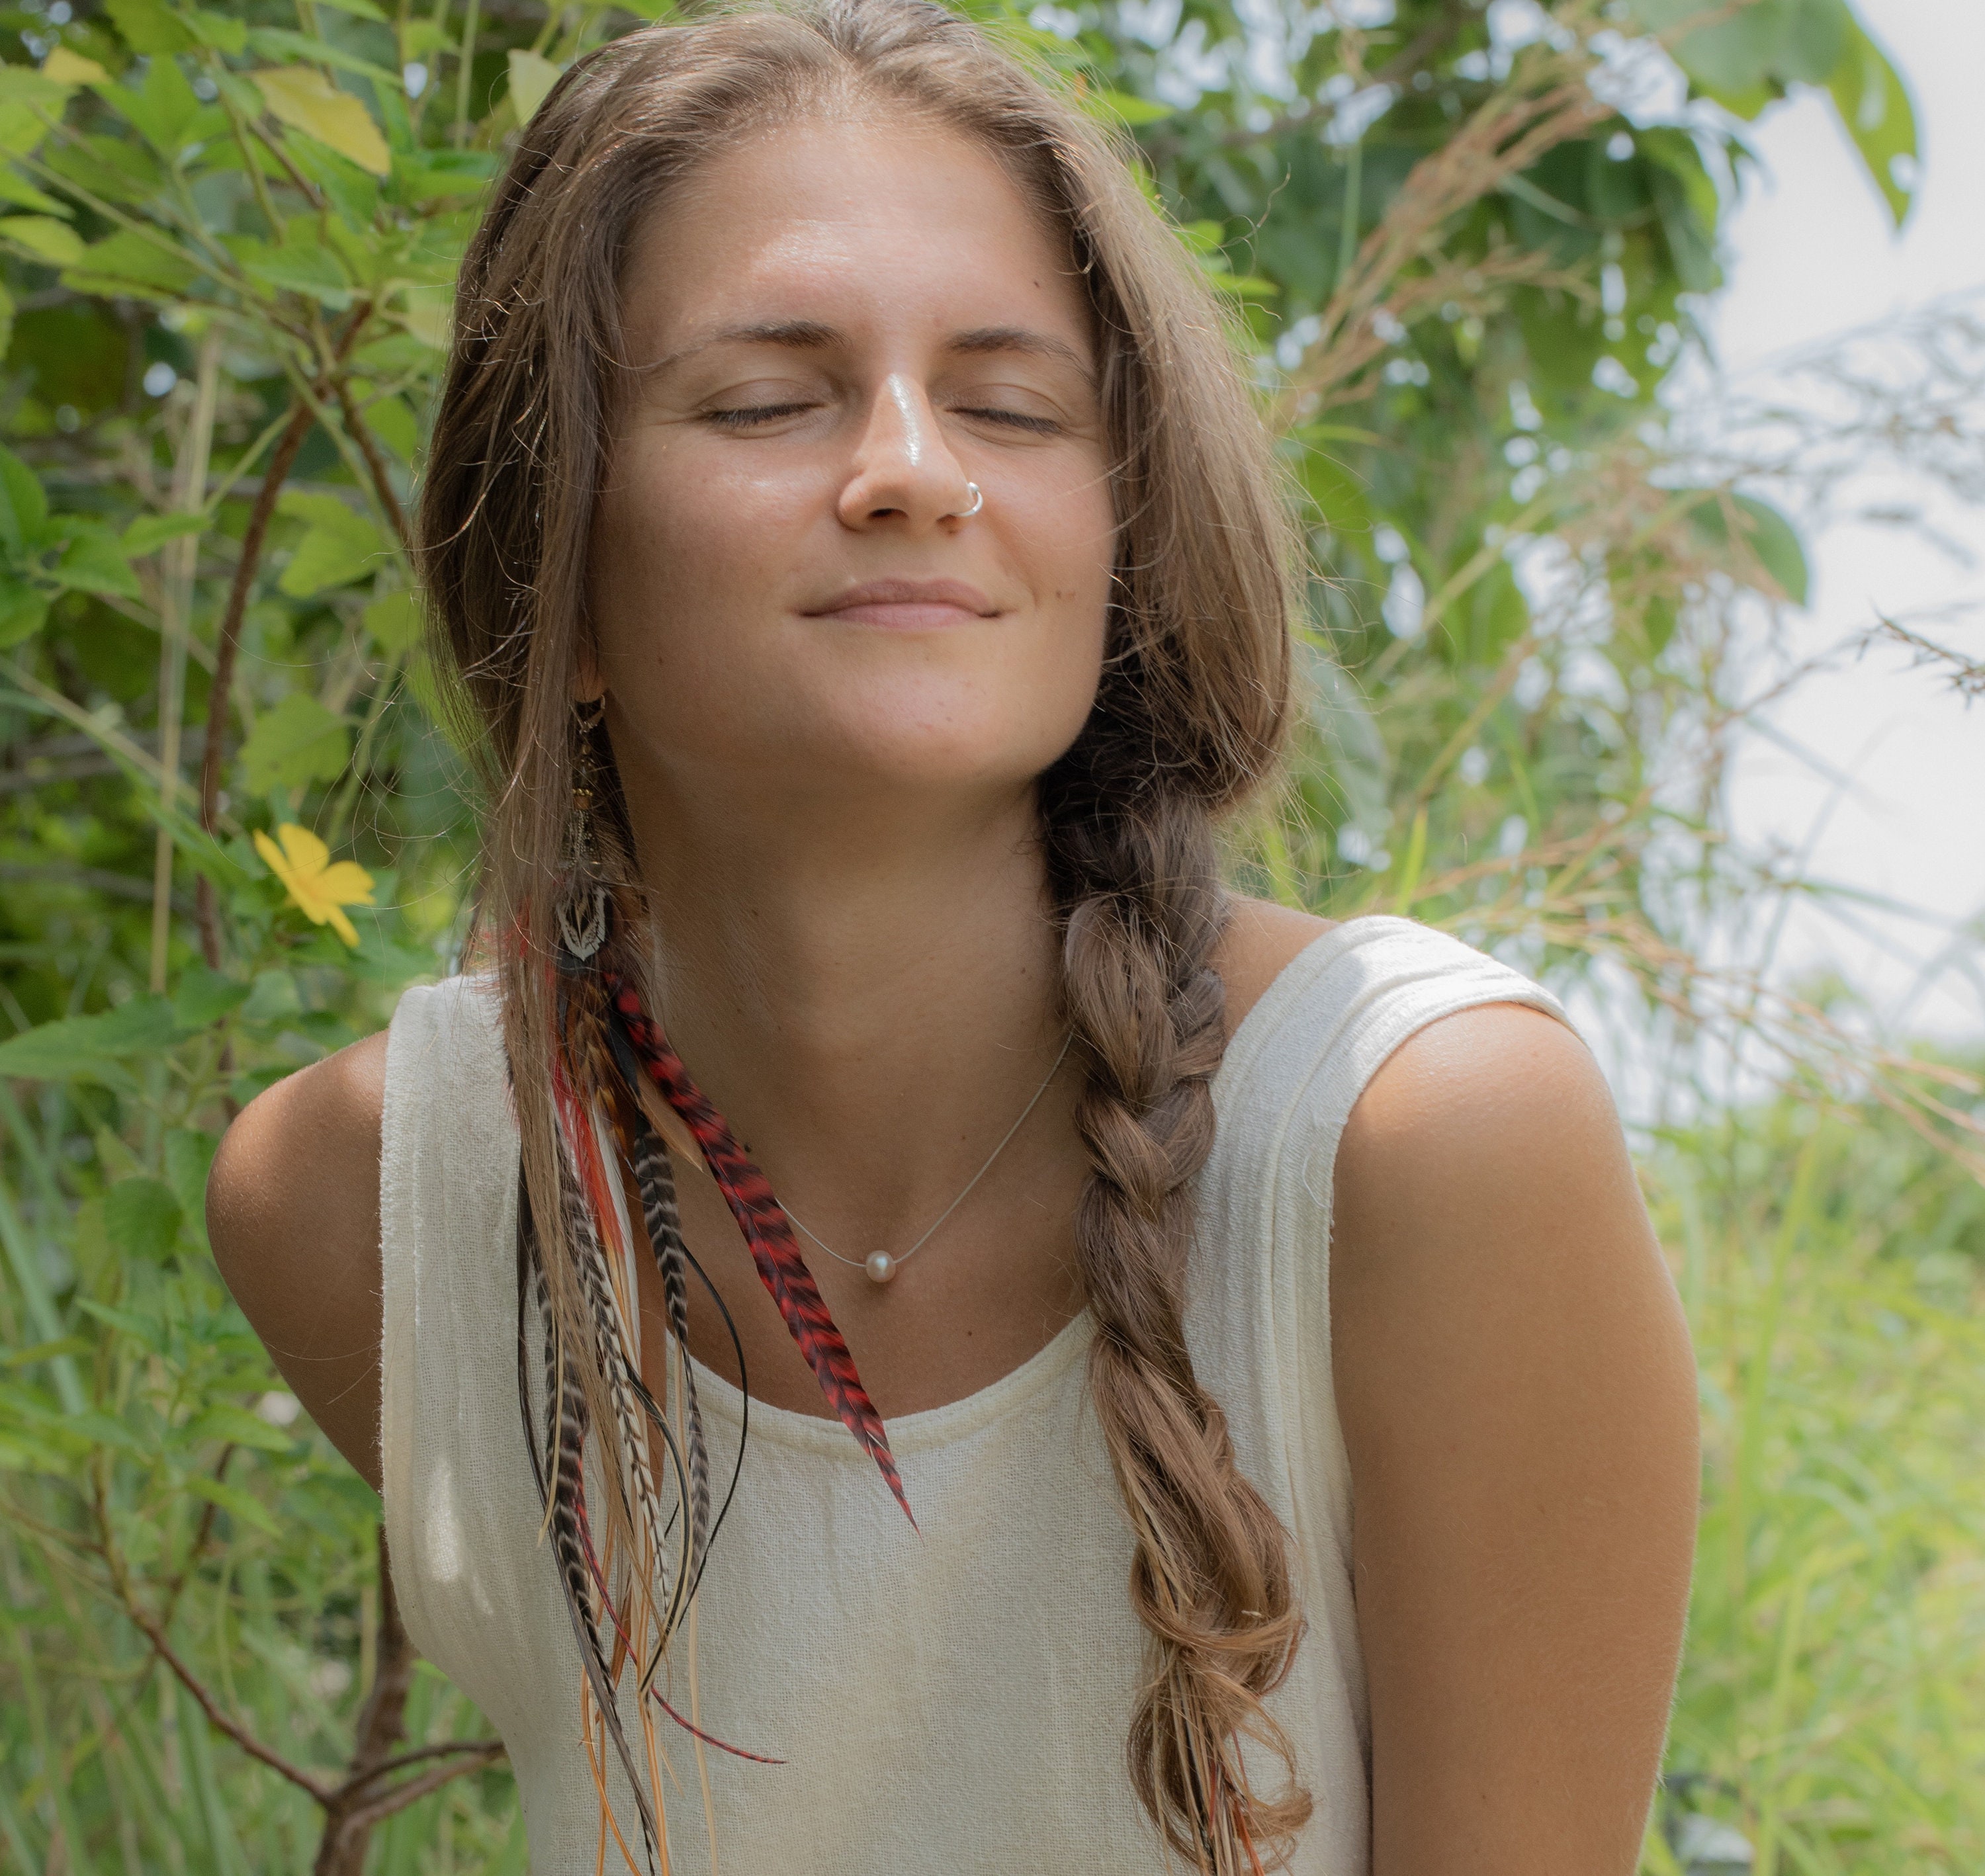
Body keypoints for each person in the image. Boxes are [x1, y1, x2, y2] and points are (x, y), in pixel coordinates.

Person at [206, 3, 1700, 1871]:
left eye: (1012, 403)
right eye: (766, 398)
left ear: (1119, 542)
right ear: (553, 585)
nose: (915, 466)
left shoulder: (1423, 1141)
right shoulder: (364, 1200)